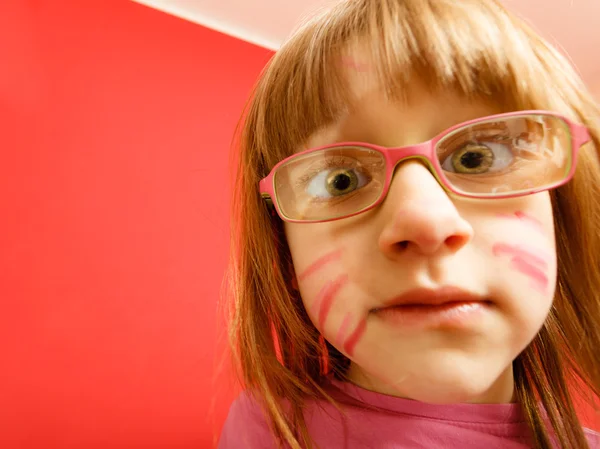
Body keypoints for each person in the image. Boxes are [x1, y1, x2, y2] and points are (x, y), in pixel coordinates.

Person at [218, 0, 600, 447]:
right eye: (340, 180)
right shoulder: (271, 429)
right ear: (283, 250)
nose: (424, 222)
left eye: (478, 157)